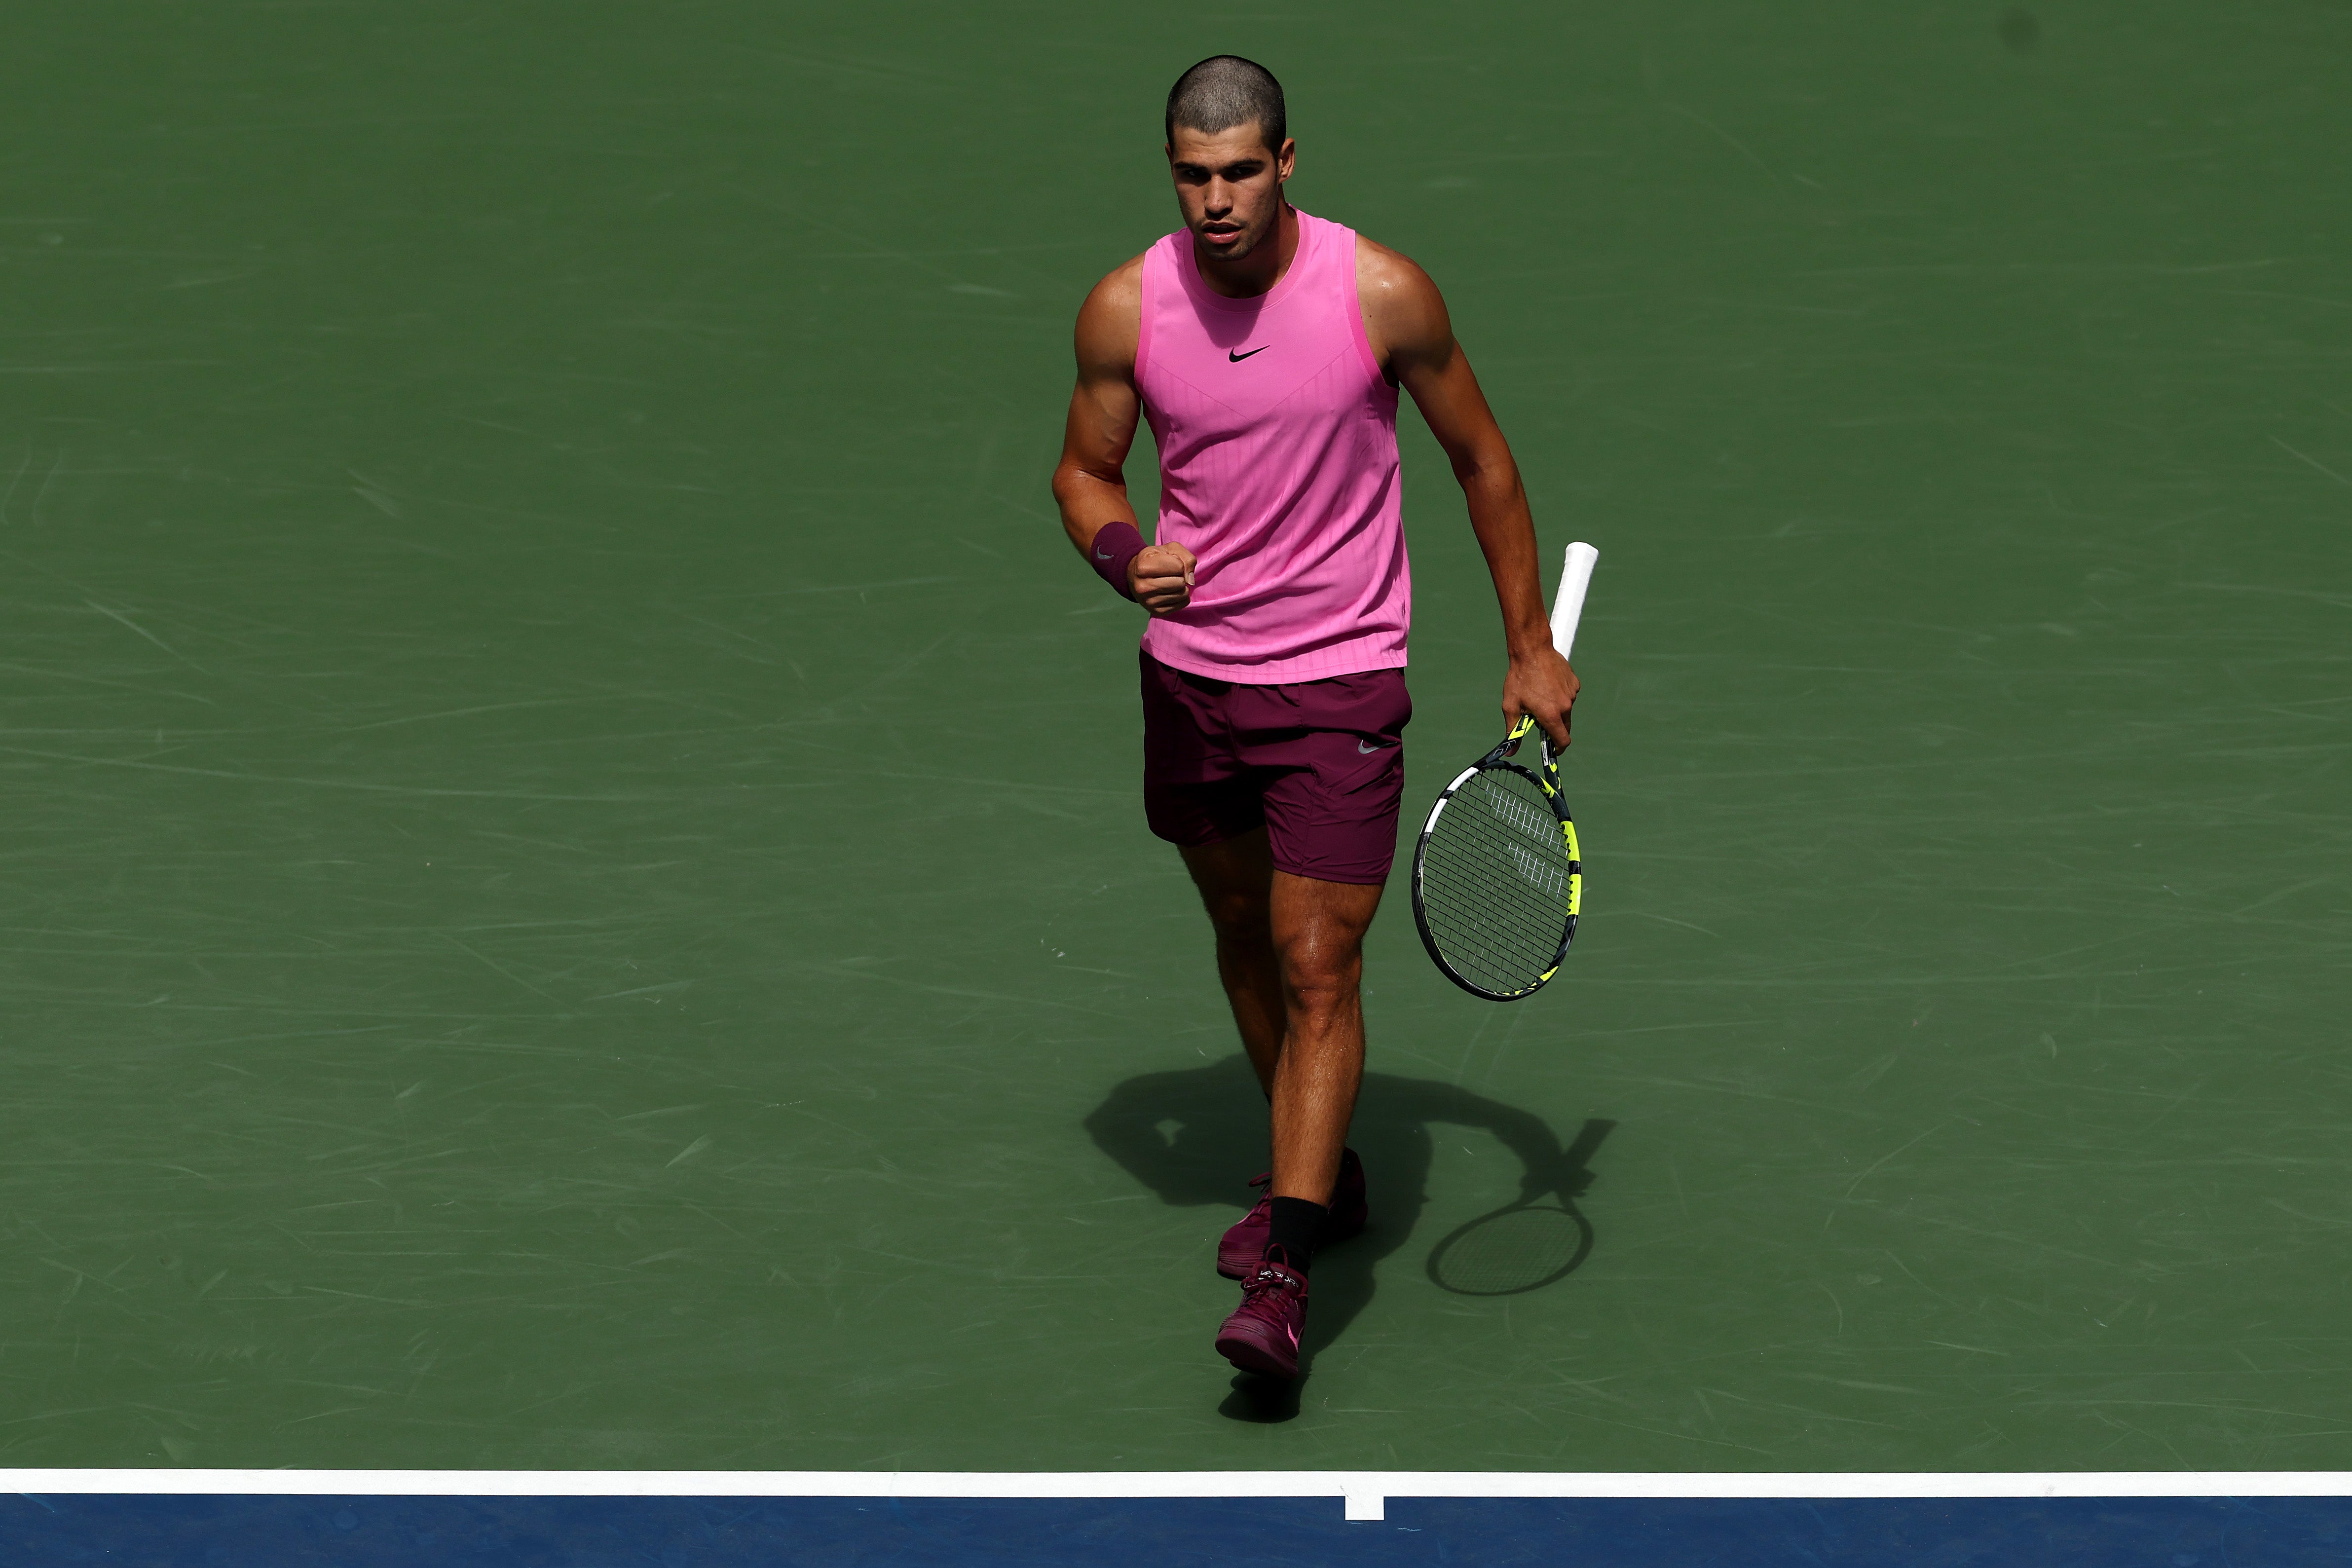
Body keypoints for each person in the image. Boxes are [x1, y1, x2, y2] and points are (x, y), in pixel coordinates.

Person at [1049, 54, 1579, 1381]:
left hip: (1340, 678)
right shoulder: (1127, 306)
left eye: (1241, 172)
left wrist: (1530, 644)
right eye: (1194, 176)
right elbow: (1083, 470)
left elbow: (1482, 460)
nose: (1217, 201)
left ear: (1285, 163)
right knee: (1244, 932)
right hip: (1193, 679)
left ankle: (1283, 1277)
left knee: (1316, 962)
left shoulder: (1380, 293)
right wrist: (1122, 554)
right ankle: (1325, 1180)